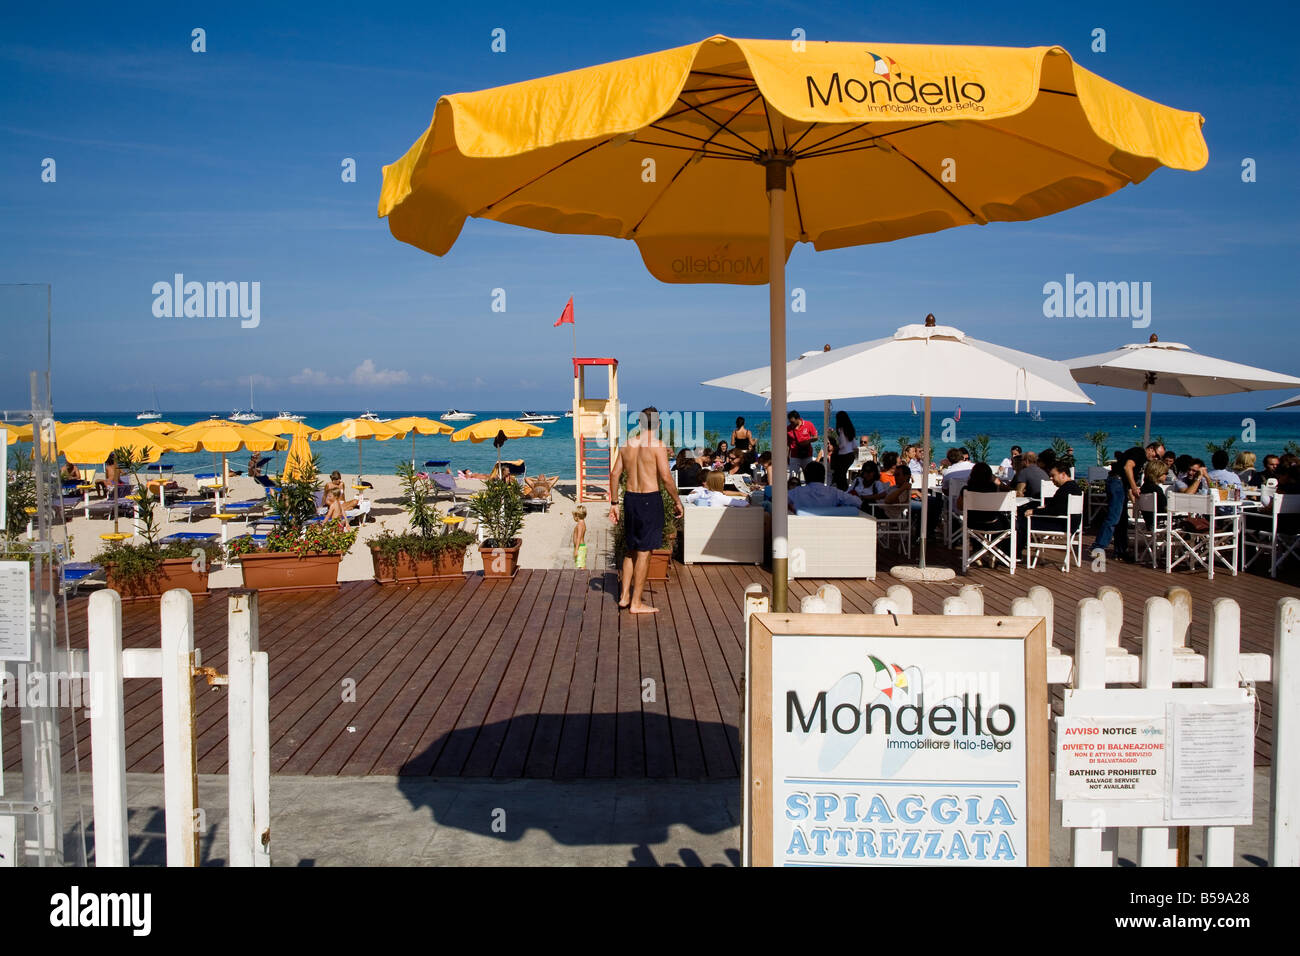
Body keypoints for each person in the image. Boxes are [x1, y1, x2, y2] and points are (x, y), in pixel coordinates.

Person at [609, 407, 683, 614]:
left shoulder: (627, 445)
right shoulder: (657, 445)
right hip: (649, 500)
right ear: (657, 423)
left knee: (631, 549)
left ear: (640, 423)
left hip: (630, 499)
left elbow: (615, 475)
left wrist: (614, 503)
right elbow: (667, 478)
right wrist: (677, 500)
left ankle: (624, 597)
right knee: (644, 552)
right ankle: (636, 603)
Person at [1092, 457, 1131, 562]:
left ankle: (1120, 551)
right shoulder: (1139, 455)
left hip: (1117, 482)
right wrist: (1133, 487)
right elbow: (1128, 468)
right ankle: (1098, 547)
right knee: (1114, 518)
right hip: (1118, 483)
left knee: (1120, 519)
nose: (1156, 458)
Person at [787, 461, 859, 513]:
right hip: (828, 530)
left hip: (801, 529)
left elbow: (778, 503)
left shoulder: (795, 492)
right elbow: (857, 502)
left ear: (806, 477)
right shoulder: (834, 493)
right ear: (824, 477)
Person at [829, 411, 857, 491]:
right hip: (850, 455)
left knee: (840, 476)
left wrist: (835, 448)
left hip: (843, 456)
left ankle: (842, 492)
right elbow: (854, 445)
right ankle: (845, 492)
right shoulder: (850, 429)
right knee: (842, 475)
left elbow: (843, 445)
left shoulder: (841, 429)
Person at [787, 411, 818, 479]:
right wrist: (787, 456)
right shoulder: (788, 429)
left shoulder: (808, 424)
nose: (791, 424)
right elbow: (788, 444)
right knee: (792, 477)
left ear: (798, 419)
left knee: (809, 477)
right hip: (794, 456)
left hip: (807, 455)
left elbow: (816, 437)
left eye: (793, 422)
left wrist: (807, 441)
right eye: (790, 422)